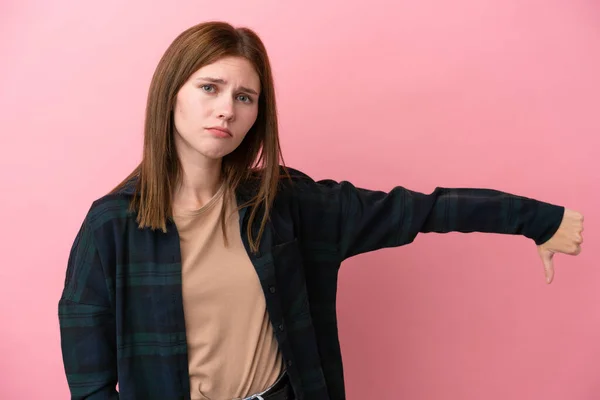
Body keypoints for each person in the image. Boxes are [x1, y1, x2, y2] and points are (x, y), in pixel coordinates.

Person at [58, 20, 584, 400]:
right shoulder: (112, 225)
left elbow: (417, 210)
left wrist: (537, 220)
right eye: (210, 87)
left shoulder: (282, 203)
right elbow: (91, 380)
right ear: (171, 94)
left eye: (246, 96)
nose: (227, 108)